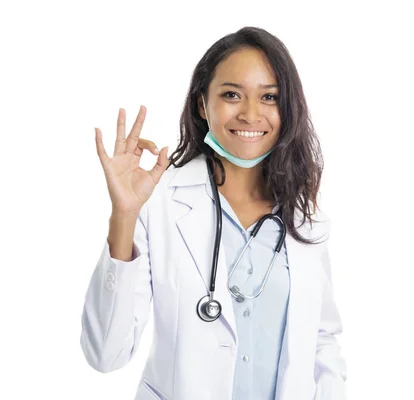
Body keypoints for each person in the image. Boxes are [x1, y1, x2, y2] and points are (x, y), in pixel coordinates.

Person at [81, 26, 347, 400]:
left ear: (287, 107)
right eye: (231, 94)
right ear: (202, 105)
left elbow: (321, 340)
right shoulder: (158, 202)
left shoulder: (302, 211)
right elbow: (105, 354)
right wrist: (123, 216)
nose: (251, 113)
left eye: (269, 96)